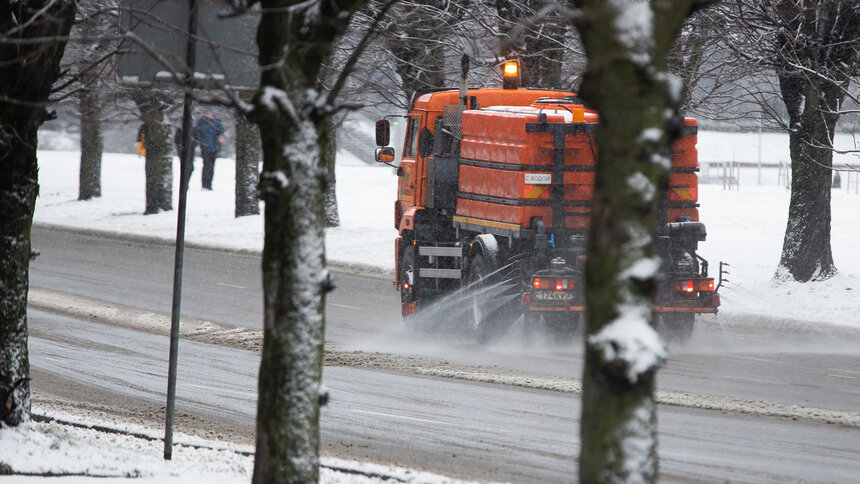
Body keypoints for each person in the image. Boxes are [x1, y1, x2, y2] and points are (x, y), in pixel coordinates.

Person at [193, 107, 225, 190]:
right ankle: (204, 184)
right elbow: (198, 134)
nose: (209, 114)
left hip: (214, 147)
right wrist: (203, 142)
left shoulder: (216, 121)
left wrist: (221, 136)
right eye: (207, 112)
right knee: (206, 165)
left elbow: (221, 131)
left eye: (210, 112)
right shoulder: (201, 122)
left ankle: (209, 184)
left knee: (211, 166)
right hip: (205, 148)